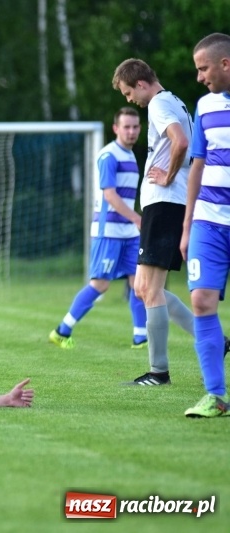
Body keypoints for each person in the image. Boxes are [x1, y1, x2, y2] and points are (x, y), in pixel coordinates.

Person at [112, 59, 197, 386]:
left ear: (142, 83)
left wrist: (168, 175)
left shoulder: (160, 104)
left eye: (129, 91)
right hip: (163, 206)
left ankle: (158, 372)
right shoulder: (172, 100)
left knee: (148, 288)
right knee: (145, 287)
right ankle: (215, 342)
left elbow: (181, 142)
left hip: (165, 204)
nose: (130, 99)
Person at [49, 108, 147, 349]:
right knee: (101, 285)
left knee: (139, 283)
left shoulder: (131, 155)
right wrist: (137, 218)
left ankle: (140, 338)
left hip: (129, 232)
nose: (131, 131)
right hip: (109, 231)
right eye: (126, 127)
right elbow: (110, 195)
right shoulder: (108, 155)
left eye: (135, 127)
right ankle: (62, 330)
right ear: (116, 128)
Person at [181, 33, 230, 417]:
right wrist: (187, 225)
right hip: (208, 222)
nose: (199, 76)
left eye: (203, 68)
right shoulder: (204, 105)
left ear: (225, 64)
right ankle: (215, 396)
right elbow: (197, 164)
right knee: (200, 300)